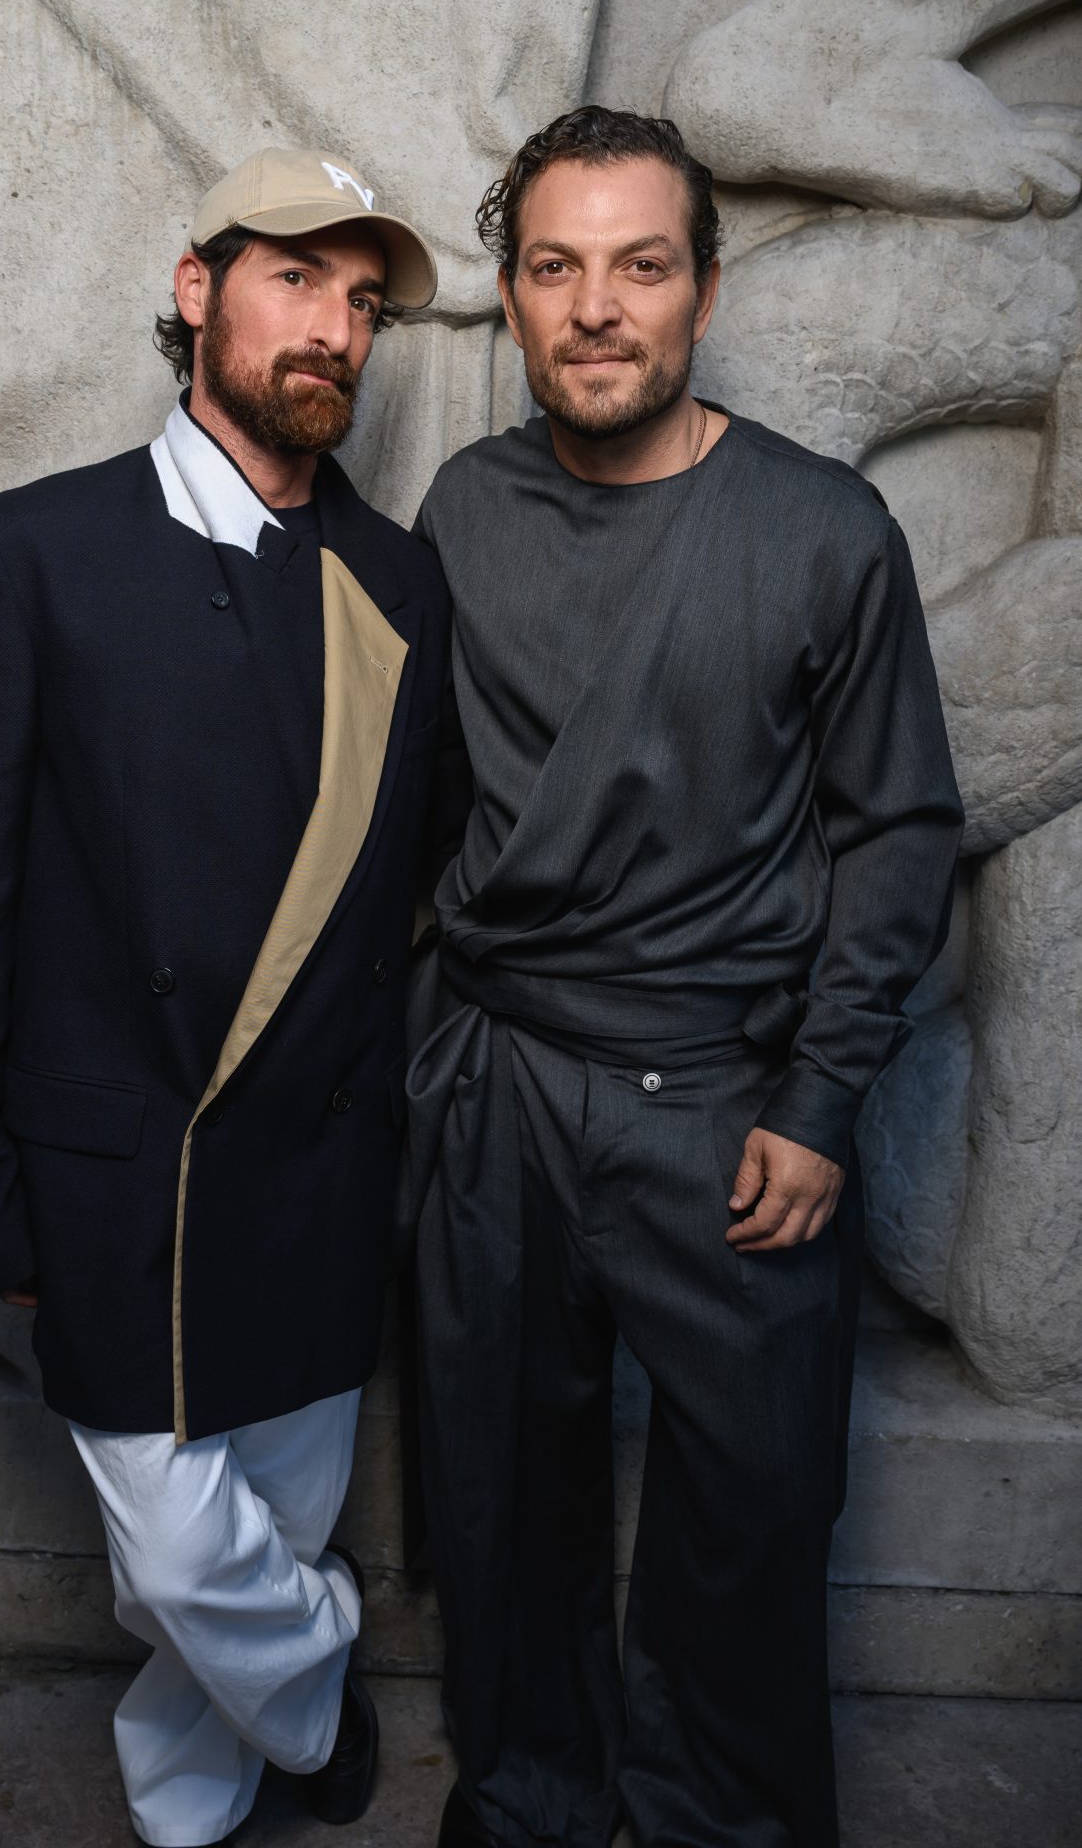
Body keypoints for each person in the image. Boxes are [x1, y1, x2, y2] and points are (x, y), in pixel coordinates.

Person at [405, 106, 965, 1848]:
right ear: (509, 301)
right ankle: (527, 1810)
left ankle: (712, 1824)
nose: (597, 307)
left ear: (702, 290)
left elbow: (899, 834)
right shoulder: (459, 511)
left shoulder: (821, 530)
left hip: (726, 1104)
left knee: (748, 1512)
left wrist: (817, 1102)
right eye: (557, 268)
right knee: (502, 1506)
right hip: (497, 1093)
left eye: (639, 266)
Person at [0, 146, 466, 1847]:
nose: (334, 330)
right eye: (295, 277)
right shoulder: (26, 552)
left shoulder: (398, 582)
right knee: (175, 1547)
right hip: (112, 1168)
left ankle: (188, 1808)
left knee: (261, 1541)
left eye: (361, 302)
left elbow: (409, 888)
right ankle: (313, 1702)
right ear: (195, 287)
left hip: (317, 1158)